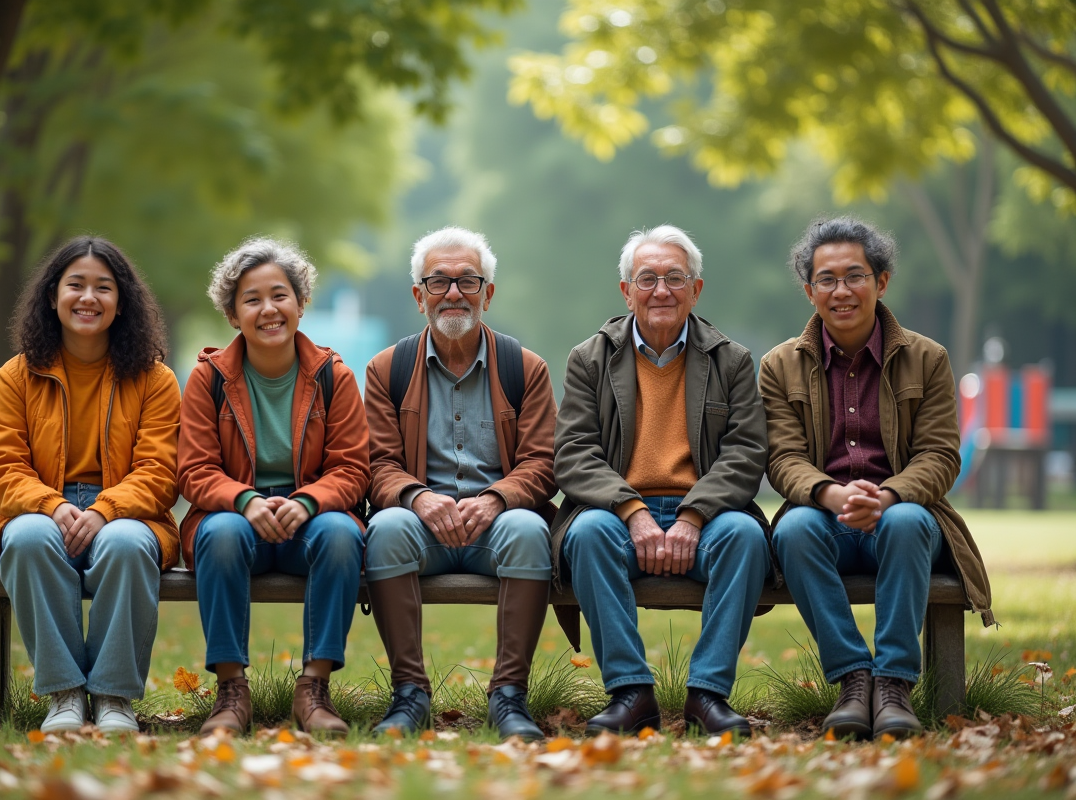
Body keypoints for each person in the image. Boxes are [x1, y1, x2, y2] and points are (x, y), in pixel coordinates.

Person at [759, 217, 994, 740]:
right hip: (825, 523)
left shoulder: (927, 359)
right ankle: (852, 681)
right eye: (826, 279)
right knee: (793, 530)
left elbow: (939, 454)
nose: (841, 291)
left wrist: (888, 495)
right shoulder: (779, 366)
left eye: (855, 275)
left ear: (881, 281)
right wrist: (833, 494)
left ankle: (893, 685)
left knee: (908, 520)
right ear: (809, 290)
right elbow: (782, 459)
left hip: (904, 523)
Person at [553, 225, 771, 737]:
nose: (661, 290)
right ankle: (631, 694)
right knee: (584, 536)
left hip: (709, 515)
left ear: (696, 289)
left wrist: (694, 516)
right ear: (626, 291)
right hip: (616, 514)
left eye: (675, 277)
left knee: (745, 537)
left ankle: (708, 695)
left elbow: (746, 451)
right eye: (646, 278)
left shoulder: (731, 360)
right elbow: (573, 453)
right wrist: (633, 512)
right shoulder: (590, 359)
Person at [0, 237, 180, 734]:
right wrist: (50, 505)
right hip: (39, 511)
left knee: (128, 544)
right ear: (53, 296)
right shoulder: (16, 376)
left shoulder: (155, 380)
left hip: (128, 514)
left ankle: (113, 698)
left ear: (121, 301)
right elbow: (1, 467)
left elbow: (160, 470)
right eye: (76, 285)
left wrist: (105, 509)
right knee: (24, 539)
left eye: (103, 288)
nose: (88, 298)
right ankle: (65, 695)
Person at [363, 227, 557, 741]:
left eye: (468, 281)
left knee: (528, 529)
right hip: (422, 528)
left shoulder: (524, 368)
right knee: (386, 526)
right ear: (418, 295)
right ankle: (410, 694)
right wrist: (418, 497)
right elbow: (377, 463)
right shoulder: (388, 369)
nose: (453, 292)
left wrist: (497, 498)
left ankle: (509, 696)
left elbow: (543, 462)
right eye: (438, 281)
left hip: (495, 528)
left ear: (488, 294)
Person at [178, 238, 369, 737]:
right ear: (232, 313)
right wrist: (246, 500)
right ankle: (230, 691)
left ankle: (314, 690)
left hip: (307, 525)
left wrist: (307, 502)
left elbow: (351, 469)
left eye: (280, 295)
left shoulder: (333, 376)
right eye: (252, 299)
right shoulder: (209, 379)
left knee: (342, 534)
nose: (269, 309)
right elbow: (195, 470)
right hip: (236, 523)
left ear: (301, 305)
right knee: (218, 532)